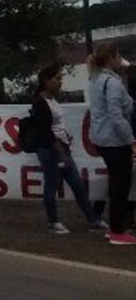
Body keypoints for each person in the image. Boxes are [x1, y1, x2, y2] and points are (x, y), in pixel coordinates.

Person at [29, 65, 107, 235]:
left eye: (60, 78)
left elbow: (56, 125)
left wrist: (65, 140)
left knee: (77, 185)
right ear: (46, 81)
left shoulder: (53, 100)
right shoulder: (39, 102)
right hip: (50, 150)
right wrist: (60, 151)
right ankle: (53, 221)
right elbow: (45, 131)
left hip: (61, 147)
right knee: (51, 186)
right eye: (57, 78)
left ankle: (93, 219)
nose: (60, 82)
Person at [87, 44, 136, 246]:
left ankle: (115, 228)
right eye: (118, 56)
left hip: (102, 138)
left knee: (116, 183)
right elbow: (116, 115)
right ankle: (117, 230)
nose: (120, 60)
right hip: (115, 140)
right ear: (111, 58)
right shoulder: (112, 83)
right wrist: (131, 139)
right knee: (120, 185)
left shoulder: (96, 79)